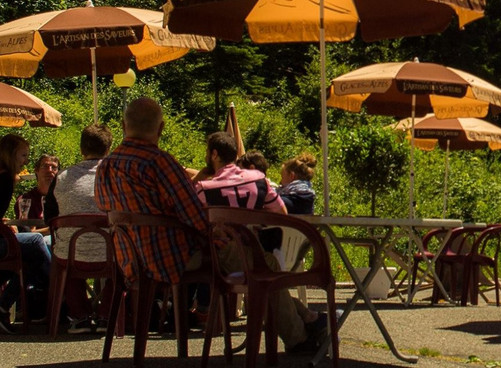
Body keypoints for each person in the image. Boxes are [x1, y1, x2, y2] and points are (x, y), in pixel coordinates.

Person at [95, 99, 324, 354]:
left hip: (129, 258)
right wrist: (220, 232)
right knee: (263, 264)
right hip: (174, 257)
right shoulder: (159, 163)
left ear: (124, 126)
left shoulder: (106, 167)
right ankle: (299, 338)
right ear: (160, 129)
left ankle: (306, 319)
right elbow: (194, 213)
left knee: (253, 266)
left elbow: (103, 207)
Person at [195, 132, 327, 352]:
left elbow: (196, 223)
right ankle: (304, 330)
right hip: (253, 251)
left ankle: (304, 329)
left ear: (214, 154)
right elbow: (281, 213)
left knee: (266, 273)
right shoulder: (258, 180)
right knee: (268, 270)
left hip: (221, 256)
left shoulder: (204, 189)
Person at [44, 124, 112, 333]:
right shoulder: (117, 176)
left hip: (71, 256)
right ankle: (107, 315)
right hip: (111, 254)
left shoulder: (61, 178)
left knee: (66, 250)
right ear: (108, 149)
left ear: (82, 149)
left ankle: (79, 315)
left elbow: (50, 218)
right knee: (126, 261)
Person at [0, 133, 51, 333]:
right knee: (36, 240)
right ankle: (55, 288)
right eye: (23, 156)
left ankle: (4, 307)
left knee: (31, 257)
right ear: (11, 155)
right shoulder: (5, 178)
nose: (26, 161)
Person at [16, 154, 59, 226]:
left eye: (54, 167)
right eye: (45, 166)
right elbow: (27, 232)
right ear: (36, 170)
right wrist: (54, 228)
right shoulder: (26, 200)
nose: (50, 170)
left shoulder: (63, 198)